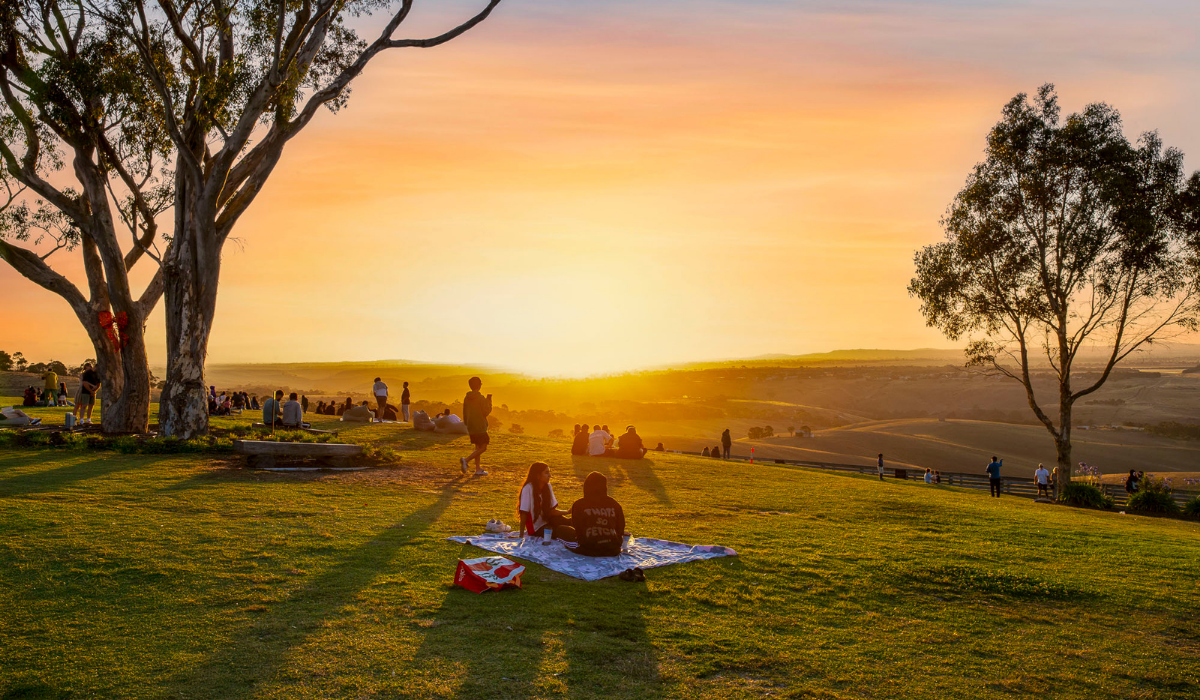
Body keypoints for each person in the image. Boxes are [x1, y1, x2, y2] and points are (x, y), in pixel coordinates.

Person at [565, 471, 626, 557]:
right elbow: (621, 526)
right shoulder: (614, 504)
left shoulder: (579, 504)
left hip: (589, 548)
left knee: (561, 530)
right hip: (613, 548)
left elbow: (576, 526)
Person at [516, 462, 574, 541]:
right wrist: (521, 535)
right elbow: (523, 514)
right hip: (536, 528)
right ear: (538, 475)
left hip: (548, 521)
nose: (549, 475)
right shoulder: (528, 488)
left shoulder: (548, 486)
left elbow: (551, 511)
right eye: (546, 473)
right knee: (562, 530)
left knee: (569, 522)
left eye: (549, 472)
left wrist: (567, 512)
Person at [460, 377, 492, 476]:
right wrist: (489, 402)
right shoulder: (480, 398)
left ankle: (478, 469)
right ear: (479, 386)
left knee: (477, 448)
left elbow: (464, 412)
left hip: (471, 426)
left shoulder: (466, 398)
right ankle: (466, 460)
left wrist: (467, 423)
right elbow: (486, 412)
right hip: (480, 426)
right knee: (483, 447)